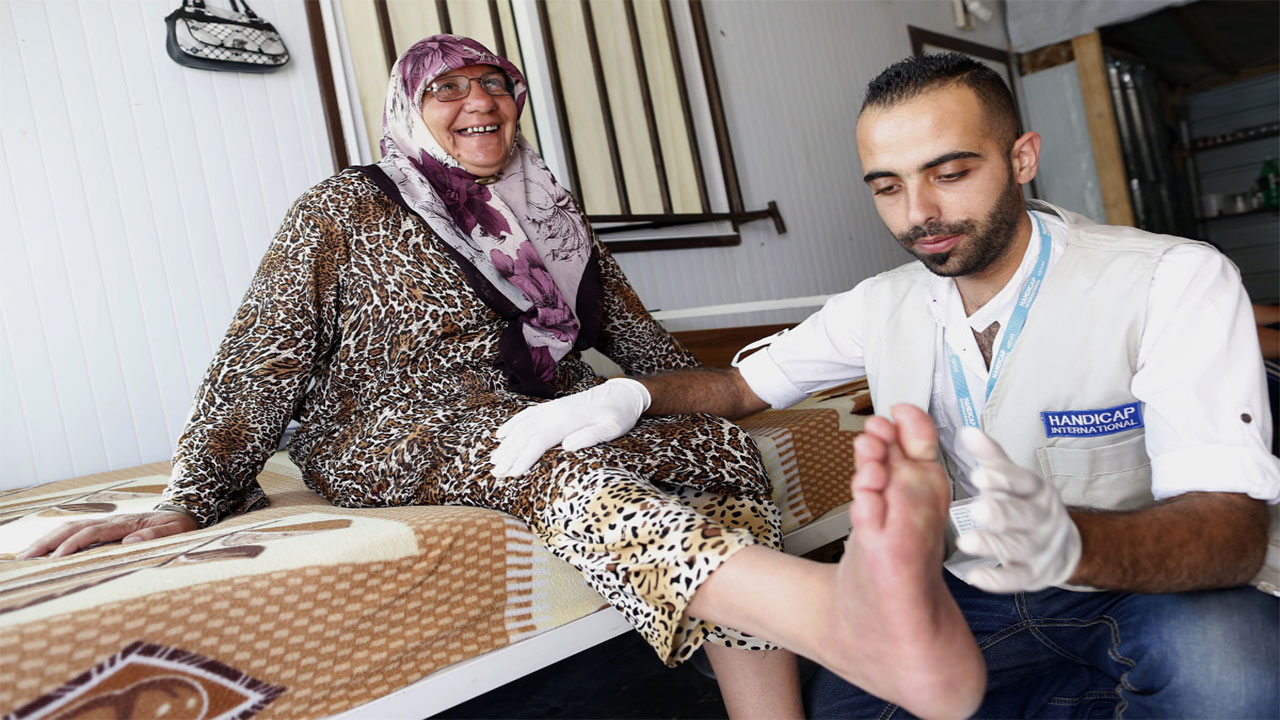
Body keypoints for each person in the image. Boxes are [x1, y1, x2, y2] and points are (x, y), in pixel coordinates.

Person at [17, 36, 986, 720]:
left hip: (523, 413)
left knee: (714, 447)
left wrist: (692, 402)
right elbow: (264, 351)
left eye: (495, 83)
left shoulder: (551, 215)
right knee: (549, 463)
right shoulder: (346, 205)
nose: (477, 101)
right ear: (410, 107)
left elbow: (637, 344)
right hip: (382, 429)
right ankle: (836, 622)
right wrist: (192, 500)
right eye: (448, 88)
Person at [493, 53, 1280, 718]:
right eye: (888, 186)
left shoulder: (1170, 280)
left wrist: (1074, 540)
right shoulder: (885, 303)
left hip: (1145, 589)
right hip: (974, 597)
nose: (921, 214)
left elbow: (1231, 535)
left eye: (950, 172)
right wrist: (629, 397)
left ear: (1023, 157)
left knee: (1234, 673)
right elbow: (740, 388)